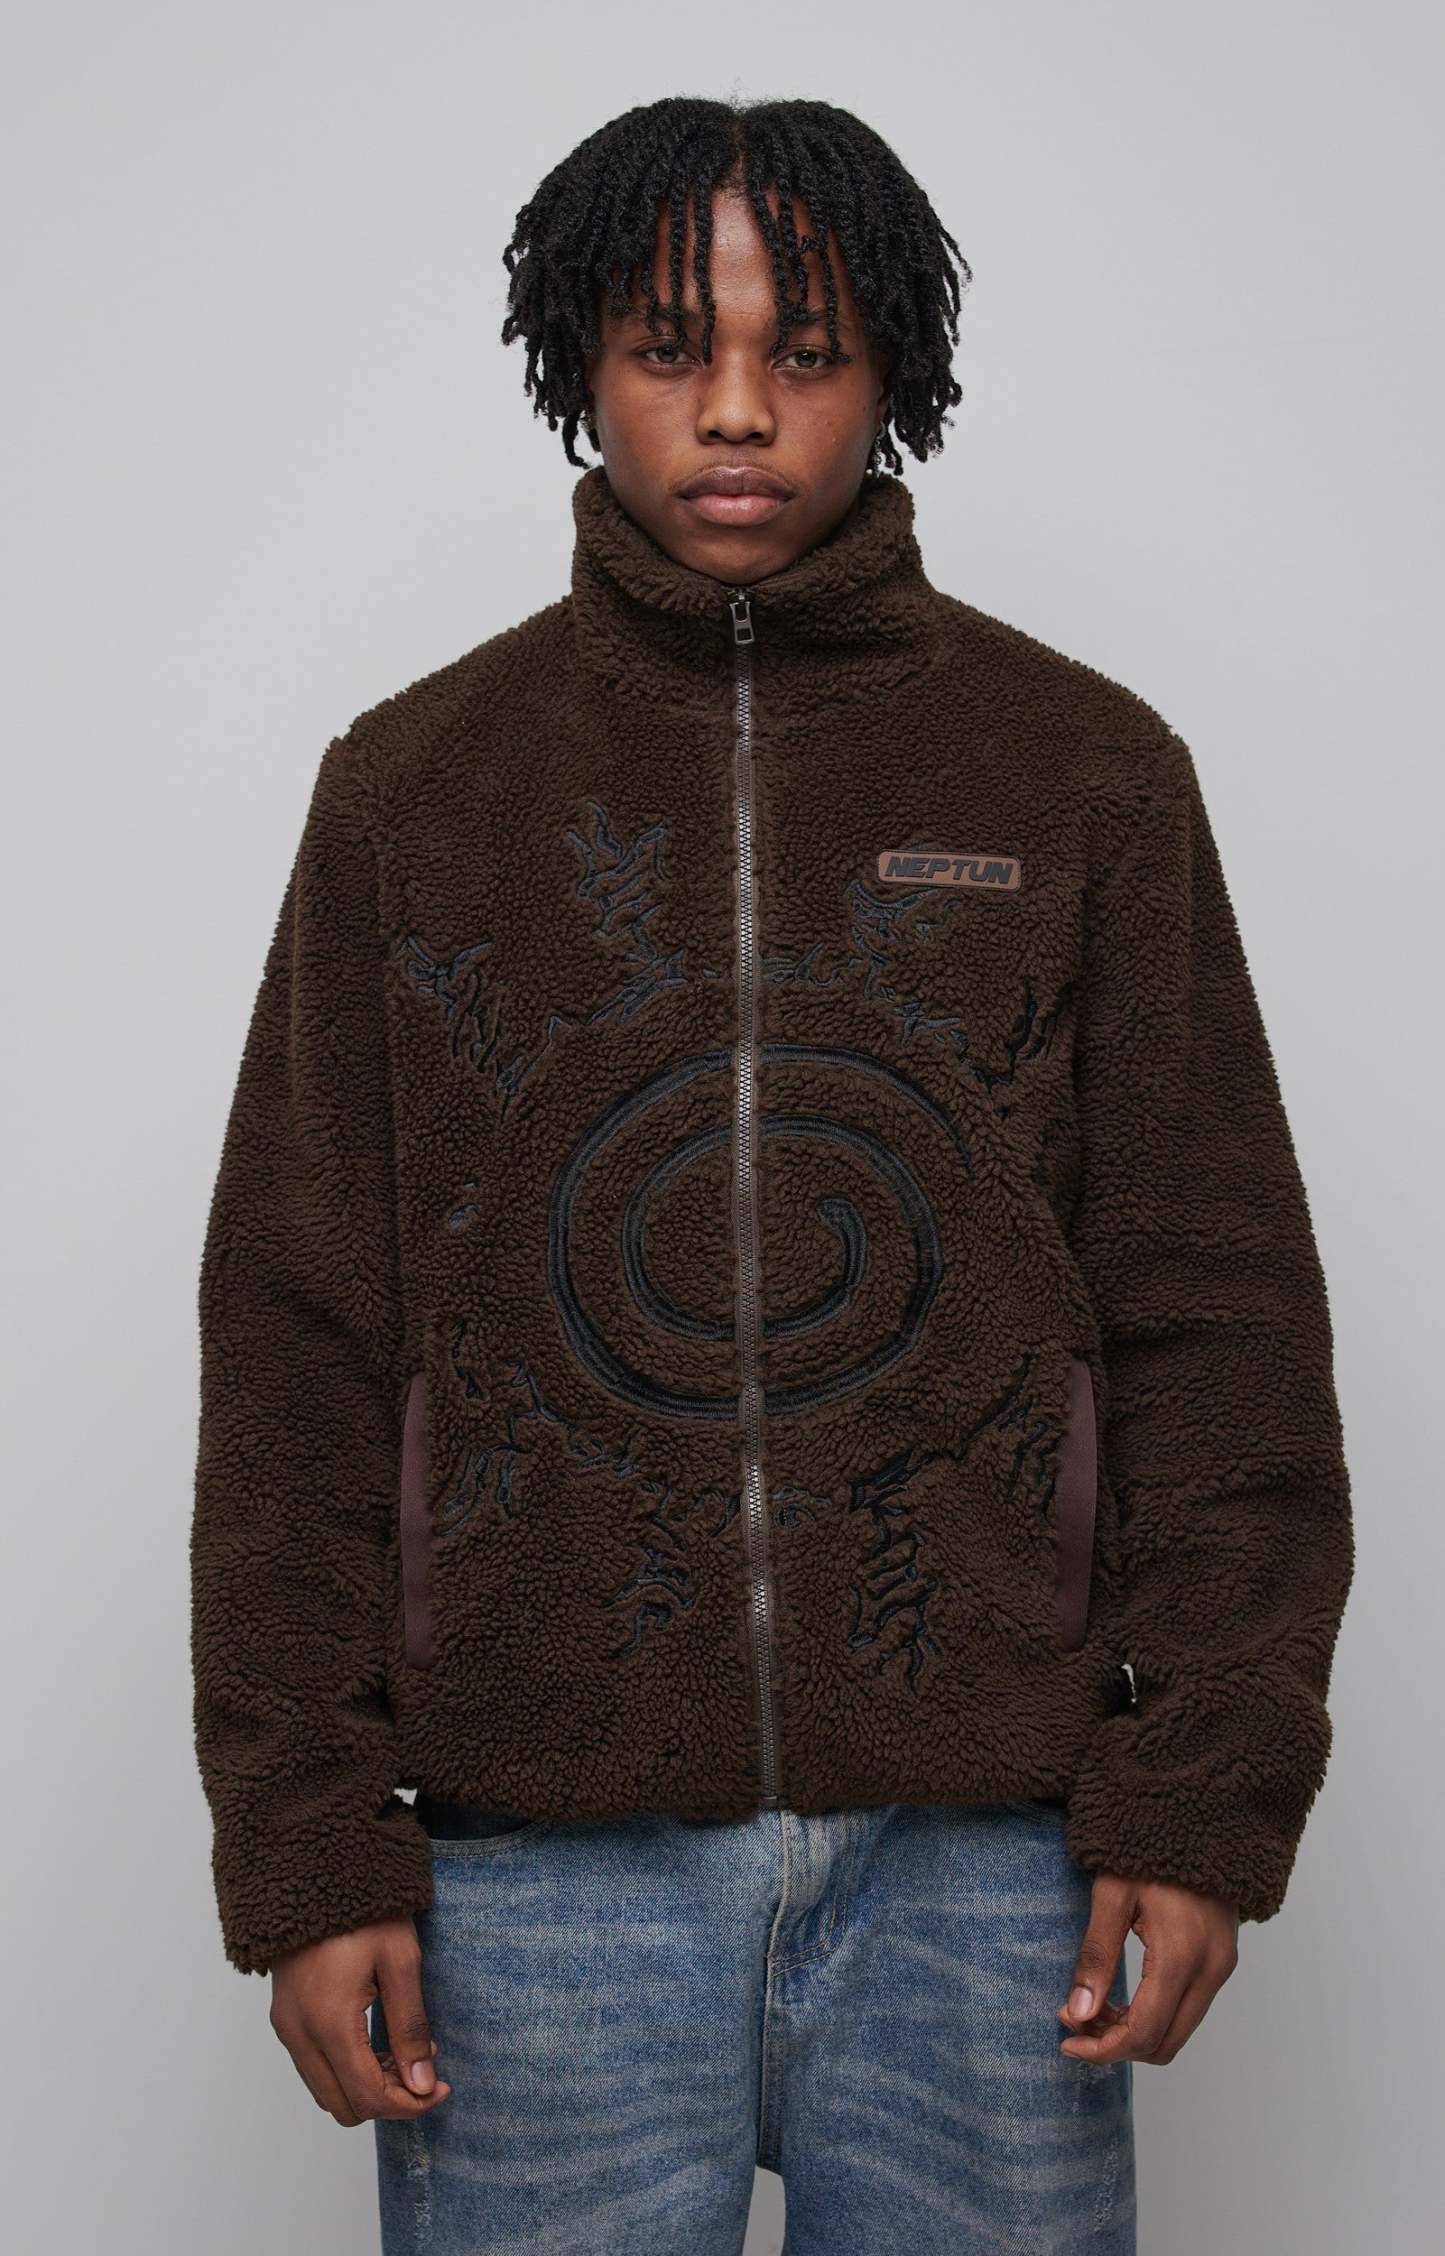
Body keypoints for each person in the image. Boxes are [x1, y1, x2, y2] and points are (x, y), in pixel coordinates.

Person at [190, 95, 1354, 2255]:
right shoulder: (416, 791)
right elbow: (298, 1337)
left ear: (893, 367)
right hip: (532, 1873)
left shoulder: (1084, 773)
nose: (737, 409)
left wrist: (1202, 1790)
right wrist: (309, 1839)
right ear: (581, 362)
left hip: (985, 1863)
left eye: (804, 352)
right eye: (670, 346)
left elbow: (1217, 1312)